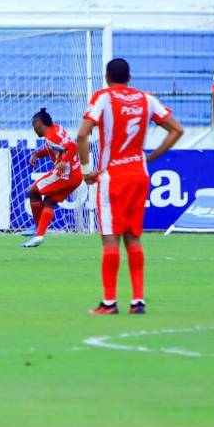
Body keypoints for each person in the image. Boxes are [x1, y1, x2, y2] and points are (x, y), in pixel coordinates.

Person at [77, 59, 185, 315]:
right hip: (139, 174)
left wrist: (85, 171)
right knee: (133, 238)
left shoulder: (103, 98)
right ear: (130, 77)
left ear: (106, 77)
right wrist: (151, 157)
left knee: (110, 239)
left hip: (112, 176)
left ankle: (109, 303)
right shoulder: (146, 99)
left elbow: (82, 134)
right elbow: (177, 129)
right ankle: (138, 301)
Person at [21, 108, 82, 249]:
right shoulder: (56, 129)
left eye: (33, 126)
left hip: (65, 174)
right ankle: (39, 236)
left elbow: (73, 146)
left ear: (37, 124)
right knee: (49, 201)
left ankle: (37, 227)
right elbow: (55, 148)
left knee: (32, 191)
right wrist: (37, 154)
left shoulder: (51, 136)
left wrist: (63, 161)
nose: (34, 129)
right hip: (75, 175)